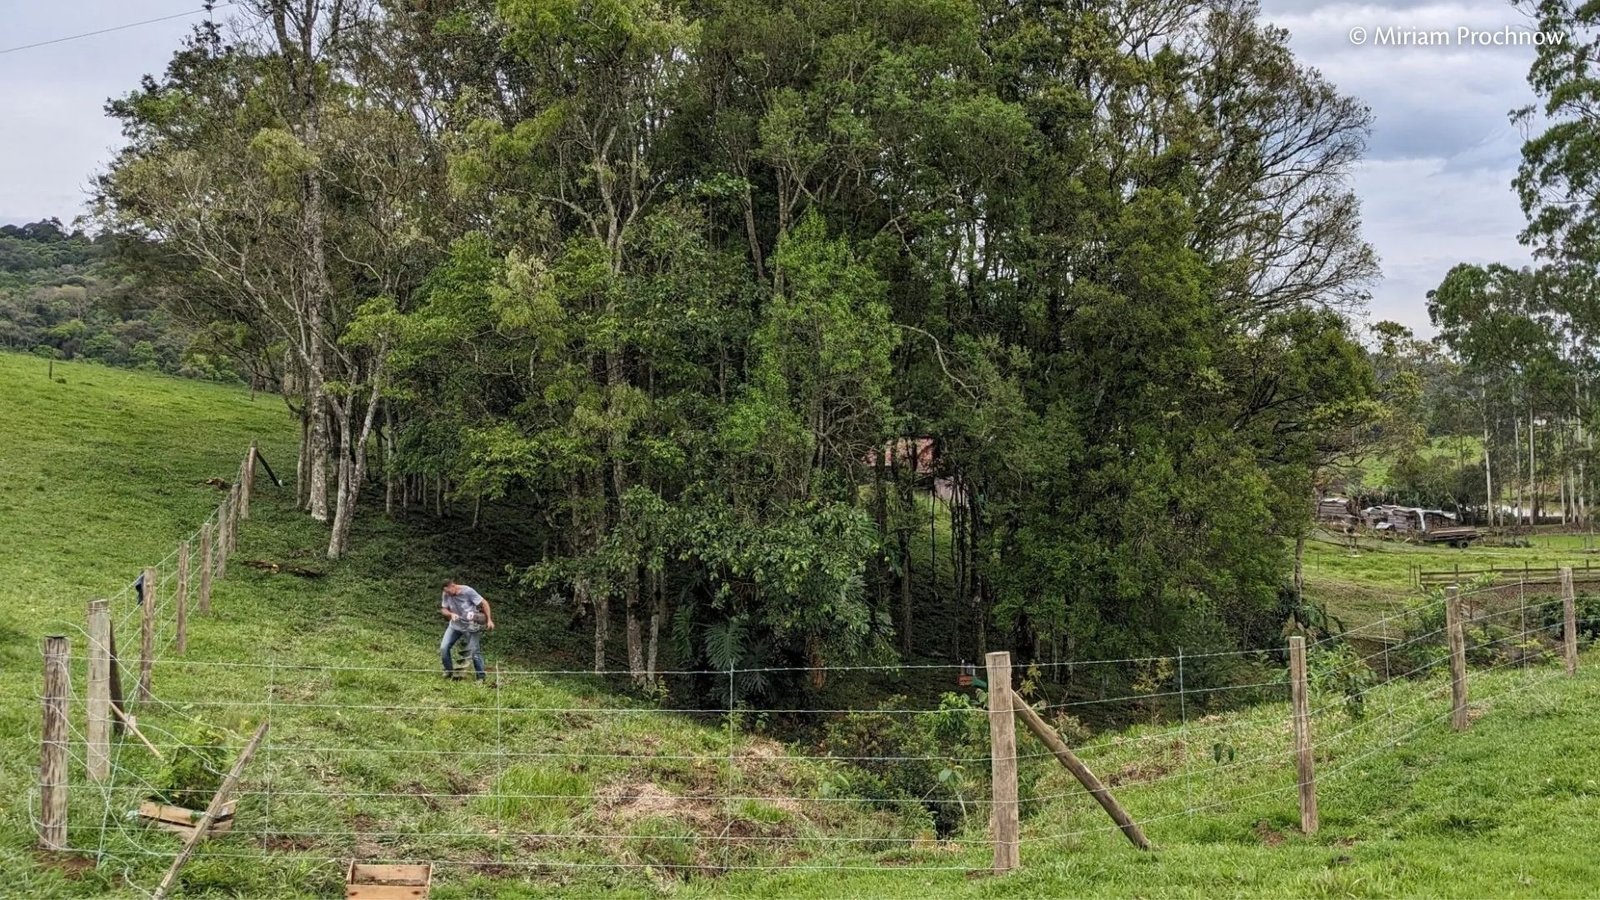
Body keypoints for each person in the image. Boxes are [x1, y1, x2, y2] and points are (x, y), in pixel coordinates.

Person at [439, 579, 493, 681]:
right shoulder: (446, 593)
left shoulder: (468, 591)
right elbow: (443, 609)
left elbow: (484, 603)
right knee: (444, 648)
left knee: (474, 652)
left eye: (449, 592)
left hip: (471, 627)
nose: (447, 594)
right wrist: (451, 614)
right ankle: (449, 671)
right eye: (446, 592)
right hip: (455, 626)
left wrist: (489, 620)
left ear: (453, 586)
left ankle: (481, 678)